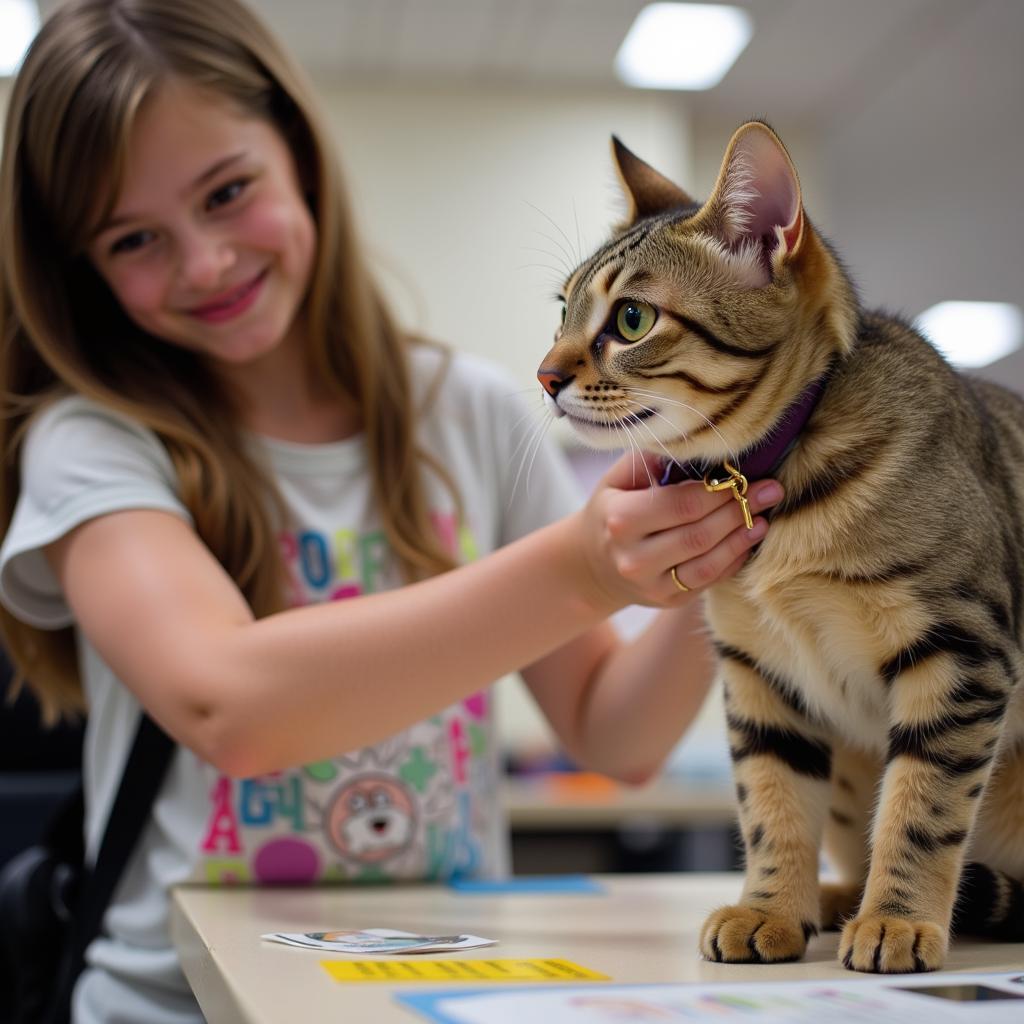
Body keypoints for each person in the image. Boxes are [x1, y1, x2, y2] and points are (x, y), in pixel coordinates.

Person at [0, 1, 783, 1021]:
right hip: (171, 1002)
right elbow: (227, 708)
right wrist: (584, 566)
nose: (203, 263)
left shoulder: (471, 411)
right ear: (83, 270)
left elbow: (614, 733)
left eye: (227, 192)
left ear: (299, 151)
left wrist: (720, 536)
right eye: (134, 238)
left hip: (433, 994)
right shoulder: (94, 443)